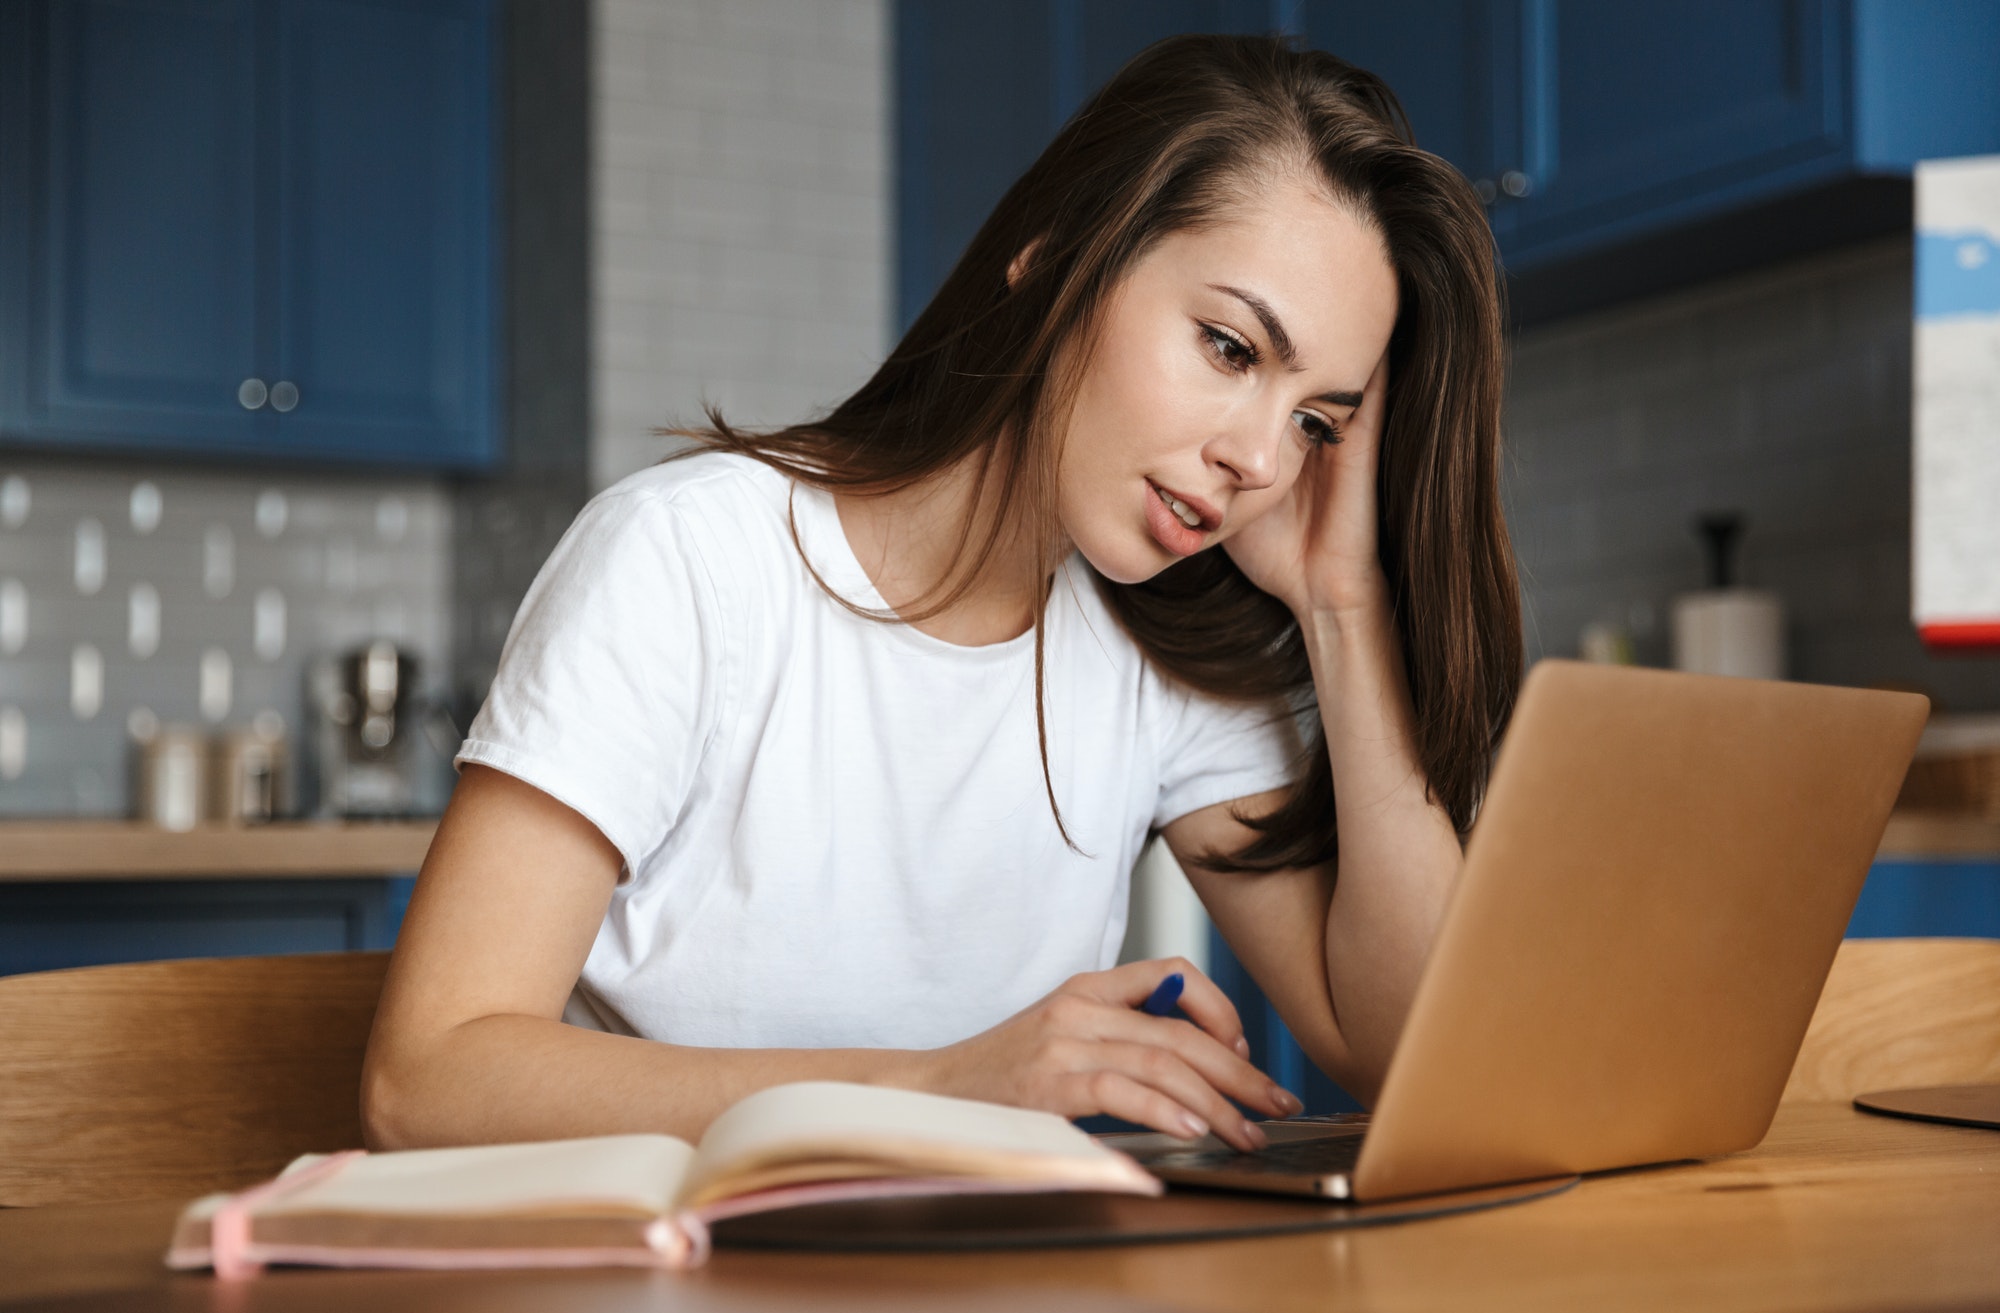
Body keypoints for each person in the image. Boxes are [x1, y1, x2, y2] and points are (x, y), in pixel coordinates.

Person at [362, 33, 1519, 1156]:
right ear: (1052, 261)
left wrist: (1340, 604)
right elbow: (426, 1080)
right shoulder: (689, 559)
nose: (1261, 460)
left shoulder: (1161, 651)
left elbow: (1410, 1053)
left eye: (1315, 420)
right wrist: (936, 1085)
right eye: (1228, 349)